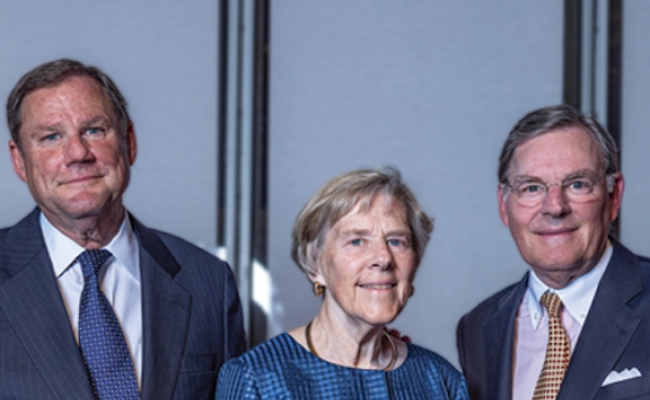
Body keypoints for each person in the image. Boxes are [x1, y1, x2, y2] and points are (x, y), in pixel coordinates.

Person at [0, 59, 246, 399]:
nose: (77, 153)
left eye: (94, 131)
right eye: (51, 137)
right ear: (19, 160)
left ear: (128, 141)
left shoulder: (208, 283)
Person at [216, 167, 469, 399]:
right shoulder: (258, 377)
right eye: (356, 241)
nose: (383, 258)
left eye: (396, 241)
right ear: (315, 265)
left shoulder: (441, 380)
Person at [456, 105, 650, 399]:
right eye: (532, 188)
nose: (555, 207)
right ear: (503, 205)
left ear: (614, 196)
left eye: (577, 184)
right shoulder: (478, 327)